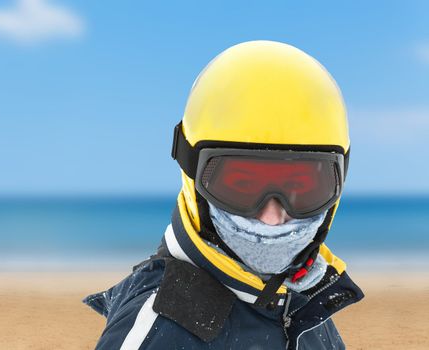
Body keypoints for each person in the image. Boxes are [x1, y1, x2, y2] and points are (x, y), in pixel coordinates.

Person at [83, 40, 364, 350]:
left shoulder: (296, 300)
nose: (272, 218)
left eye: (300, 187)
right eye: (242, 186)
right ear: (193, 174)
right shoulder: (161, 330)